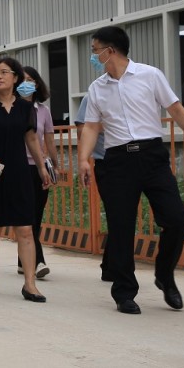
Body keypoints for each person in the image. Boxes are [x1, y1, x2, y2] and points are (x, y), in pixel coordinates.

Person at [78, 26, 184, 315]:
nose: (93, 56)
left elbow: (176, 109)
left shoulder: (150, 75)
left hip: (152, 157)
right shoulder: (97, 88)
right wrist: (83, 159)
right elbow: (90, 127)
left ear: (110, 51)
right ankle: (124, 292)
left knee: (175, 219)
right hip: (117, 162)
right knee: (121, 227)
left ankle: (165, 275)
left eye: (95, 51)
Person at [0, 57, 50, 303]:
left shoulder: (26, 109)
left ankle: (30, 284)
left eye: (4, 72)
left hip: (19, 172)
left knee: (25, 228)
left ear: (15, 77)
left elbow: (32, 139)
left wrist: (42, 167)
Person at [15, 66, 58, 279]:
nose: (26, 84)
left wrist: (54, 165)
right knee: (26, 215)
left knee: (36, 215)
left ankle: (23, 260)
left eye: (30, 80)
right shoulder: (10, 108)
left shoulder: (43, 111)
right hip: (17, 167)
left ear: (37, 84)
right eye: (22, 80)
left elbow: (48, 139)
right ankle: (37, 260)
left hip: (39, 167)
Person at [74, 96, 111, 282]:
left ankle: (113, 264)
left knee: (124, 216)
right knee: (117, 214)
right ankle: (114, 267)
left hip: (136, 161)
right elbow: (83, 129)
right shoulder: (94, 95)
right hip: (106, 161)